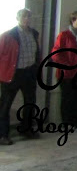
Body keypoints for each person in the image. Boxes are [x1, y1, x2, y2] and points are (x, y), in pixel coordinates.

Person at [0, 9, 41, 144]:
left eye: (29, 16)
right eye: (24, 16)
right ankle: (2, 135)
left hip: (29, 73)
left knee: (30, 103)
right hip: (13, 74)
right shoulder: (8, 35)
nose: (27, 19)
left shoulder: (34, 33)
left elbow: (36, 53)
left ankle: (26, 129)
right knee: (5, 105)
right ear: (17, 18)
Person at [51, 11, 77, 127]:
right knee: (67, 97)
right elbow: (56, 53)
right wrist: (66, 65)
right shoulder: (64, 35)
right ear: (73, 20)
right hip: (67, 72)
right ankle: (67, 122)